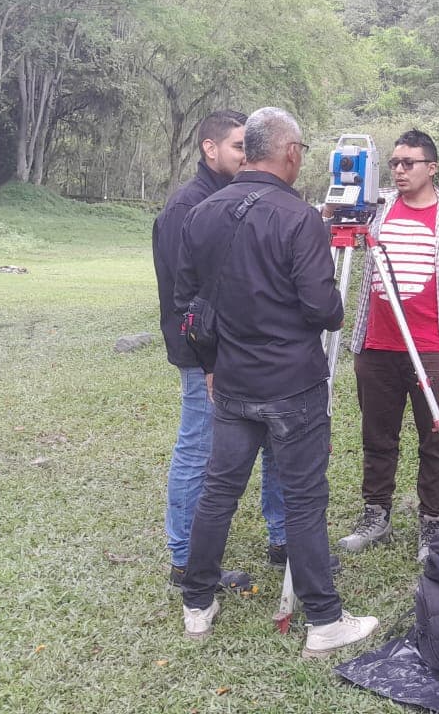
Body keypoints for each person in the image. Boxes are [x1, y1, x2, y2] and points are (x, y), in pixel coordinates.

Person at [175, 107, 376, 657]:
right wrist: (333, 304)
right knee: (305, 501)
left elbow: (191, 304)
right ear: (290, 153)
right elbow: (324, 310)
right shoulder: (298, 218)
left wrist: (213, 361)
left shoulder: (205, 211)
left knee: (219, 492)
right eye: (303, 151)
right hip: (291, 386)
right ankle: (325, 621)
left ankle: (197, 603)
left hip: (234, 382)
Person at [338, 128, 439, 563]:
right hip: (376, 345)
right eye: (394, 164)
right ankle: (376, 514)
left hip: (432, 348)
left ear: (432, 167)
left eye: (409, 163)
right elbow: (330, 219)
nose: (400, 171)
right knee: (377, 435)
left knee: (436, 439)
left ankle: (432, 523)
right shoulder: (376, 208)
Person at [152, 109, 280, 592]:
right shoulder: (188, 206)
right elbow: (186, 296)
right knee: (199, 449)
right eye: (238, 148)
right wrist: (207, 356)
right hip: (205, 354)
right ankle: (186, 561)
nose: (247, 158)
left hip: (244, 349)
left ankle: (283, 539)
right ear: (210, 149)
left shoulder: (233, 198)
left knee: (272, 439)